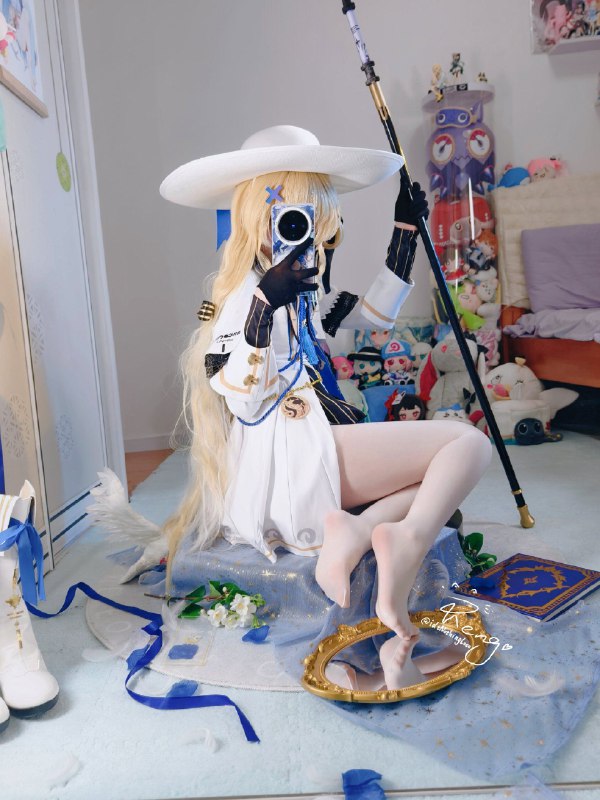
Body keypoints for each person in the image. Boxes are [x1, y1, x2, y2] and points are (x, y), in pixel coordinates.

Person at [156, 125, 493, 689]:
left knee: (438, 484)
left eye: (312, 216)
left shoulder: (300, 288)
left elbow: (369, 320)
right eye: (288, 215)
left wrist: (404, 234)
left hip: (314, 444)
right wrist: (263, 305)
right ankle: (403, 539)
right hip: (293, 460)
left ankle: (363, 531)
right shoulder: (242, 295)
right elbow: (240, 392)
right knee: (468, 445)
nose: (303, 228)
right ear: (255, 217)